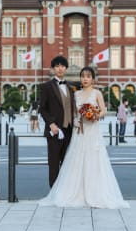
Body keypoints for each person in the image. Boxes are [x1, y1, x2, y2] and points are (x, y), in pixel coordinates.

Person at [39, 66, 129, 208]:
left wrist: (95, 116)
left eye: (88, 76)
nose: (85, 79)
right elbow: (74, 112)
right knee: (76, 160)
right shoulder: (76, 94)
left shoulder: (97, 93)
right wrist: (75, 120)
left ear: (93, 79)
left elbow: (104, 109)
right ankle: (76, 193)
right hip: (79, 132)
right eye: (83, 76)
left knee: (94, 161)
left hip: (93, 131)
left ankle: (95, 193)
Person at [38, 55, 77, 188]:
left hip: (69, 130)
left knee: (67, 163)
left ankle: (65, 191)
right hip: (54, 131)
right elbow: (42, 109)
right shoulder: (47, 87)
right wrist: (51, 124)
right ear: (53, 69)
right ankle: (54, 192)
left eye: (62, 66)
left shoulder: (71, 87)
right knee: (54, 163)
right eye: (57, 66)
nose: (60, 69)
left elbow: (72, 108)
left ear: (66, 68)